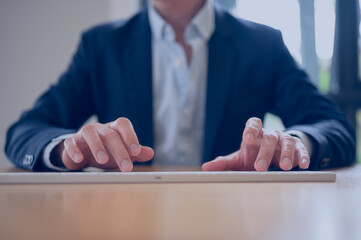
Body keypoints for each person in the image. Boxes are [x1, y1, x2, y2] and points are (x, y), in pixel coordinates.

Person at [5, 0, 356, 172]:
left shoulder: (263, 45)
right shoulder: (101, 47)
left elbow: (335, 126)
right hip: (124, 223)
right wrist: (70, 148)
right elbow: (26, 131)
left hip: (236, 222)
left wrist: (295, 143)